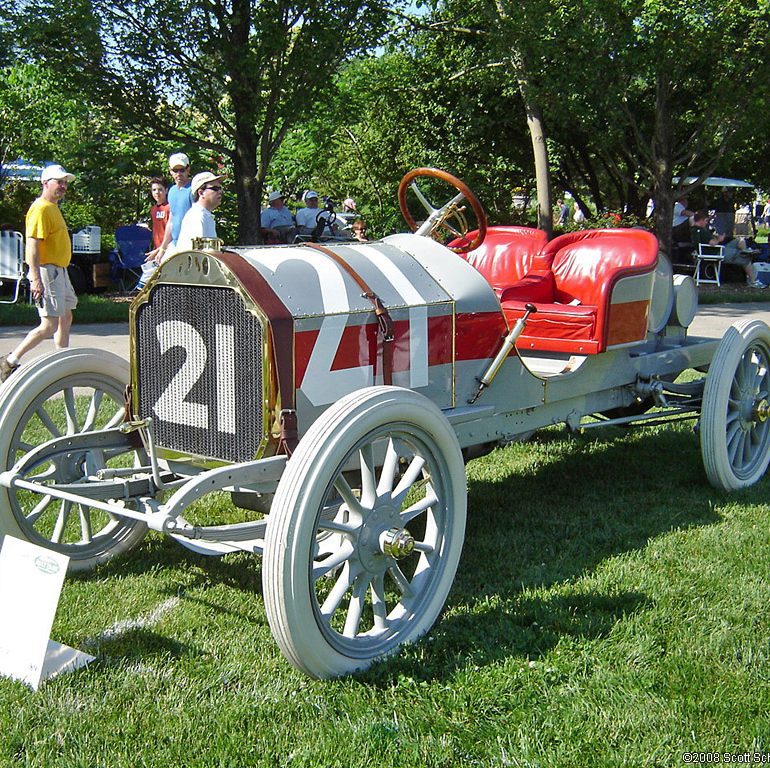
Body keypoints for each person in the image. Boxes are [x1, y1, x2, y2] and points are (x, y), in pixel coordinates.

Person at [0, 164, 79, 382]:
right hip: (47, 272)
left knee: (66, 315)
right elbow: (32, 246)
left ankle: (61, 358)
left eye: (65, 183)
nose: (63, 186)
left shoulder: (52, 207)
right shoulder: (41, 208)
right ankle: (9, 361)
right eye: (58, 182)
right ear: (45, 183)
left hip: (59, 271)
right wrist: (35, 278)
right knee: (49, 325)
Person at [691, 210, 765, 288]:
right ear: (701, 220)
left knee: (739, 240)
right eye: (705, 221)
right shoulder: (701, 230)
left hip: (716, 249)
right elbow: (712, 243)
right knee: (745, 258)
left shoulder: (695, 230)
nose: (706, 223)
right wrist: (719, 239)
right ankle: (753, 281)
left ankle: (745, 251)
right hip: (716, 252)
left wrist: (717, 238)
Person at [147, 152, 193, 262]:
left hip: (191, 244)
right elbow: (171, 221)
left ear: (188, 169)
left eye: (182, 170)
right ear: (170, 171)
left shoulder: (194, 189)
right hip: (175, 244)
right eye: (175, 170)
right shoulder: (172, 191)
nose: (179, 174)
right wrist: (163, 248)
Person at [174, 172, 224, 252]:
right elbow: (198, 255)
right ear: (201, 193)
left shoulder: (205, 215)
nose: (220, 192)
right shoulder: (196, 216)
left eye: (220, 188)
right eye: (215, 189)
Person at [136, 176, 170, 290]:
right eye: (154, 190)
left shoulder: (170, 208)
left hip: (167, 249)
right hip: (156, 250)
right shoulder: (153, 209)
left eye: (160, 189)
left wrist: (161, 249)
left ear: (166, 190)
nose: (157, 193)